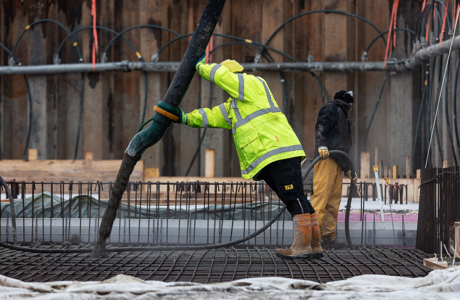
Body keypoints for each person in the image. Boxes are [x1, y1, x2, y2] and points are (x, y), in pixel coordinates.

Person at [174, 54, 323, 259]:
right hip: (270, 157)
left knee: (292, 196)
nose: (225, 88)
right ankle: (314, 245)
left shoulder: (252, 84)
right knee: (296, 196)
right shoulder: (234, 106)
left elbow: (222, 77)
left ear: (232, 75)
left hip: (279, 150)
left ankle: (303, 246)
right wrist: (184, 118)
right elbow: (210, 116)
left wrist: (201, 67)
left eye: (227, 81)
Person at [311, 90, 357, 246]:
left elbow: (345, 146)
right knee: (322, 197)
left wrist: (348, 167)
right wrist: (321, 145)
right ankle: (313, 237)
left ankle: (327, 236)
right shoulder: (331, 108)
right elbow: (321, 126)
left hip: (338, 160)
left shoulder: (345, 117)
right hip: (326, 158)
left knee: (333, 200)